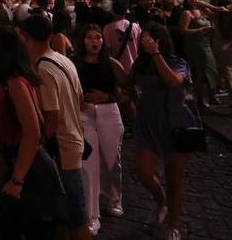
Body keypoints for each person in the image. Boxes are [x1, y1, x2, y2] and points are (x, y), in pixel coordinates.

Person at [20, 14, 88, 239]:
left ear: (26, 38)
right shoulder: (63, 59)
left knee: (73, 212)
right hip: (74, 137)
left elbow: (52, 116)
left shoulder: (43, 70)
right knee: (70, 210)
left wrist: (37, 146)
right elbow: (79, 100)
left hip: (62, 147)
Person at [128, 22, 195, 240]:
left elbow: (173, 82)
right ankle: (160, 199)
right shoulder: (140, 64)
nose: (145, 42)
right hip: (148, 124)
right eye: (143, 39)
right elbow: (128, 84)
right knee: (143, 172)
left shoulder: (179, 62)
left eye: (150, 38)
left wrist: (156, 54)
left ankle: (173, 225)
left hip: (176, 125)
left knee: (175, 180)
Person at [0, 25, 53, 240]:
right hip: (19, 163)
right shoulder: (17, 80)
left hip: (24, 166)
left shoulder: (16, 83)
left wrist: (17, 180)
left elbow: (33, 131)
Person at [75, 25, 125, 236]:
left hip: (108, 113)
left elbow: (125, 90)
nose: (94, 42)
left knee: (112, 159)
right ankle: (92, 215)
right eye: (90, 37)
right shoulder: (75, 64)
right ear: (83, 40)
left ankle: (115, 198)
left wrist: (108, 97)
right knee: (88, 164)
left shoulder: (111, 64)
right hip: (84, 115)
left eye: (98, 38)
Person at [178, 0, 219, 107]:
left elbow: (216, 13)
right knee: (199, 73)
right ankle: (200, 99)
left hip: (206, 44)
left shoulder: (203, 11)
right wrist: (199, 30)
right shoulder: (187, 13)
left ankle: (212, 96)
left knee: (212, 70)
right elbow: (183, 30)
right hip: (194, 45)